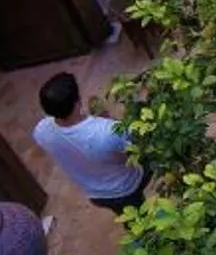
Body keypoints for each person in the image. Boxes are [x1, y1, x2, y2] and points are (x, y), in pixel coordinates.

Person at [30, 71, 147, 213]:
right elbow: (132, 153)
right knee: (141, 218)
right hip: (126, 187)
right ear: (77, 102)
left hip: (95, 193)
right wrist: (107, 119)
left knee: (125, 214)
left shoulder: (41, 131)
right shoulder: (106, 131)